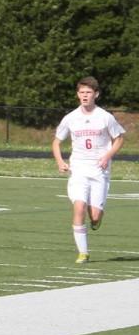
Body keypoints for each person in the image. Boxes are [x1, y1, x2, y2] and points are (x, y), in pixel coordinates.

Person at [52, 76, 126, 264]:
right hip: (79, 169)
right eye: (82, 92)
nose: (85, 96)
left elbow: (119, 138)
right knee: (79, 207)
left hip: (99, 170)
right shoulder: (70, 118)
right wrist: (60, 162)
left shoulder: (105, 117)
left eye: (88, 93)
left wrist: (107, 156)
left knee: (94, 215)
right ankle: (83, 253)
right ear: (78, 95)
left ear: (96, 94)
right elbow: (56, 142)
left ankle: (96, 218)